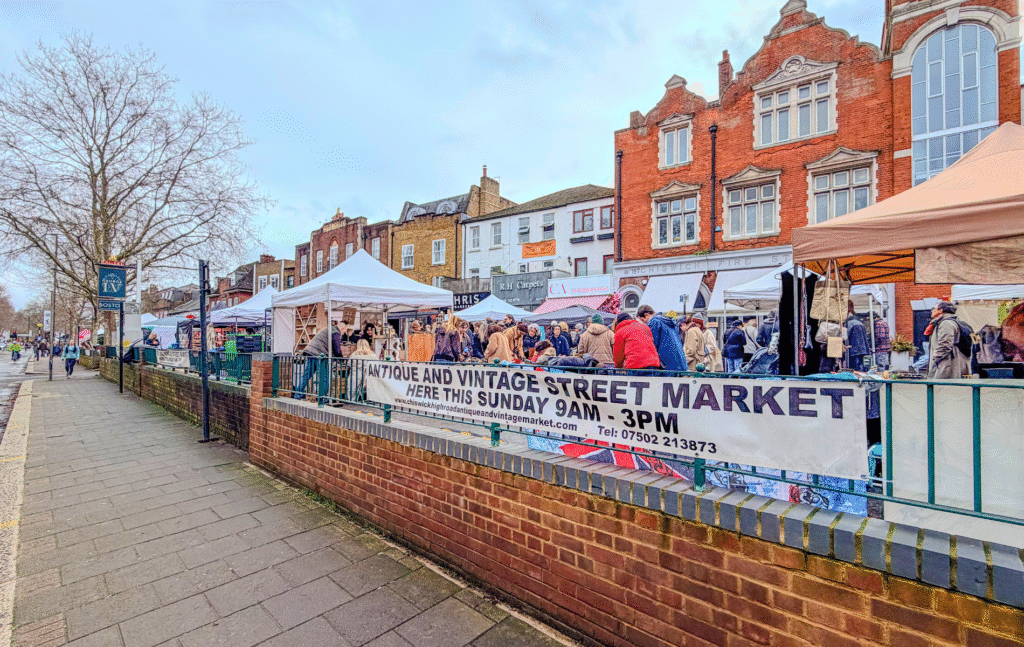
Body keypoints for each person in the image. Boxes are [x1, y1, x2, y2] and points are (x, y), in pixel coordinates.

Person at [293, 321, 345, 399]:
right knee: (324, 377)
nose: (343, 334)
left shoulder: (328, 329)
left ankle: (298, 394)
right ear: (342, 328)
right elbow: (337, 349)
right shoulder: (336, 332)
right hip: (319, 354)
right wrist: (341, 359)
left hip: (310, 352)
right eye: (344, 331)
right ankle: (323, 398)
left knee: (306, 375)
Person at [927, 301, 971, 379]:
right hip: (947, 363)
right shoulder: (949, 322)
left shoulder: (946, 323)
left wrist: (935, 359)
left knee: (940, 389)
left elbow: (945, 345)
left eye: (934, 308)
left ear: (941, 310)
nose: (932, 310)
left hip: (946, 365)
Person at [637, 305, 686, 371]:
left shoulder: (654, 322)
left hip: (667, 365)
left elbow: (653, 347)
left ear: (646, 315)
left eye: (643, 320)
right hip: (680, 364)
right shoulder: (668, 322)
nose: (644, 323)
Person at [845, 302, 870, 371]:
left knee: (854, 368)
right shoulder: (859, 321)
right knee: (860, 366)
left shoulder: (850, 322)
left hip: (853, 349)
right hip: (862, 348)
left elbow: (845, 335)